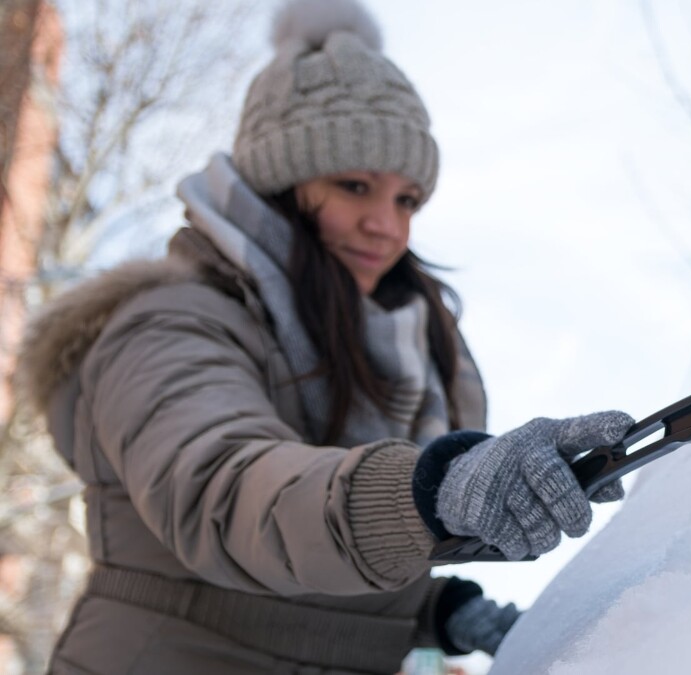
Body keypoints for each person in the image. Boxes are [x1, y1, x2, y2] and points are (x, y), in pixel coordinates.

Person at [16, 0, 633, 672]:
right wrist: (430, 488)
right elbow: (230, 494)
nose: (388, 226)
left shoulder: (411, 347)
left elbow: (330, 573)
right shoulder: (168, 323)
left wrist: (441, 609)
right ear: (277, 185)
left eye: (406, 199)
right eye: (355, 185)